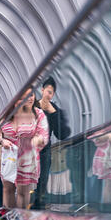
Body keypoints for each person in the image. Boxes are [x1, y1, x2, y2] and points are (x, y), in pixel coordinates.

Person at [0, 88, 49, 209]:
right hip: (8, 155)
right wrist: (2, 140)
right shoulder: (5, 115)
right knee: (8, 188)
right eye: (24, 96)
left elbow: (43, 134)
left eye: (31, 95)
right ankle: (9, 218)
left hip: (26, 156)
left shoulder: (38, 114)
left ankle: (21, 219)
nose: (30, 98)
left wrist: (37, 140)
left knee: (23, 191)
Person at [32, 77, 71, 209]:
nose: (48, 95)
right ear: (42, 90)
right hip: (29, 149)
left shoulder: (55, 110)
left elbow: (62, 134)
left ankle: (38, 207)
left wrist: (53, 113)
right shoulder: (33, 106)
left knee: (42, 180)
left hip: (44, 151)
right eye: (47, 91)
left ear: (53, 94)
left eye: (51, 93)